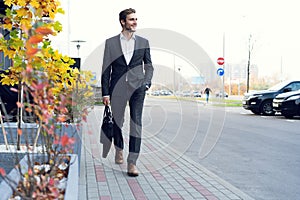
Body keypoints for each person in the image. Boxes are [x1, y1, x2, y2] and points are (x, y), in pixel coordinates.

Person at [101, 8, 154, 177]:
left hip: (138, 87)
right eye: (131, 19)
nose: (135, 22)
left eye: (136, 19)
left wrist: (146, 83)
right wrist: (105, 93)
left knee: (136, 123)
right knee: (118, 121)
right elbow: (106, 69)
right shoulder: (111, 43)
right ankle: (119, 148)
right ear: (123, 22)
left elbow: (149, 65)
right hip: (117, 87)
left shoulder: (143, 42)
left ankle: (132, 162)